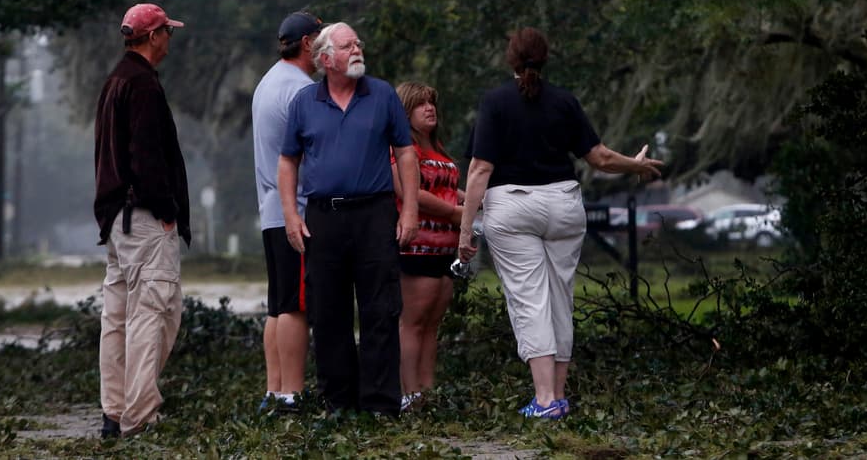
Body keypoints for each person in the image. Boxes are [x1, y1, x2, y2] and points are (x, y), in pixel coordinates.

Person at [457, 27, 662, 420]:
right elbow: (599, 157)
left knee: (530, 300)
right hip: (564, 204)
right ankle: (559, 396)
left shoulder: (496, 102)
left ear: (511, 59)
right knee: (559, 298)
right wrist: (635, 165)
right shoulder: (564, 101)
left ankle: (546, 400)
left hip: (514, 206)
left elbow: (481, 168)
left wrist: (467, 232)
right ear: (545, 57)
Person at [277, 22, 420, 415]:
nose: (358, 49)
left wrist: (409, 210)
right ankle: (338, 401)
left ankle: (380, 403)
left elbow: (405, 153)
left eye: (358, 42)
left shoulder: (383, 94)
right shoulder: (305, 102)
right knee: (327, 310)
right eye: (348, 45)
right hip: (324, 217)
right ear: (325, 59)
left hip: (375, 213)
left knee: (380, 308)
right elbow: (288, 162)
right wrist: (291, 215)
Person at [93, 3, 192, 438]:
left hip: (117, 219)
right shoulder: (144, 85)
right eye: (166, 32)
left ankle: (113, 412)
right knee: (155, 314)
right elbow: (147, 157)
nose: (169, 39)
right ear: (152, 36)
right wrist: (167, 210)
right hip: (146, 218)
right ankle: (139, 417)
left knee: (117, 318)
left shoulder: (115, 80)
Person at [250, 10, 322, 413]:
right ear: (308, 42)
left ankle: (275, 390)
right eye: (322, 39)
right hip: (296, 211)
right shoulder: (300, 89)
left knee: (278, 304)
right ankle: (292, 393)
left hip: (271, 211)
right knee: (296, 305)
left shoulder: (267, 82)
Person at [391, 82, 464, 412]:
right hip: (415, 248)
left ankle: (427, 390)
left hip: (445, 251)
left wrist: (478, 202)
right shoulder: (401, 148)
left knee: (433, 324)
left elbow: (454, 192)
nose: (429, 108)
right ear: (405, 112)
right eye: (420, 104)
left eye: (432, 103)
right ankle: (409, 394)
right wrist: (454, 213)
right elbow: (409, 191)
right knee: (413, 323)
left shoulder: (439, 151)